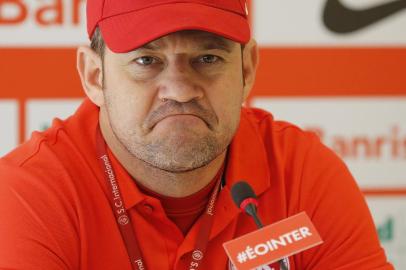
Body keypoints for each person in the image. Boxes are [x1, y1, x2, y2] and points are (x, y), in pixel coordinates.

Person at [0, 1, 394, 269]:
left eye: (208, 59)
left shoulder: (303, 171)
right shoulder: (31, 193)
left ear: (246, 68)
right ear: (94, 76)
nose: (180, 89)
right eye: (146, 60)